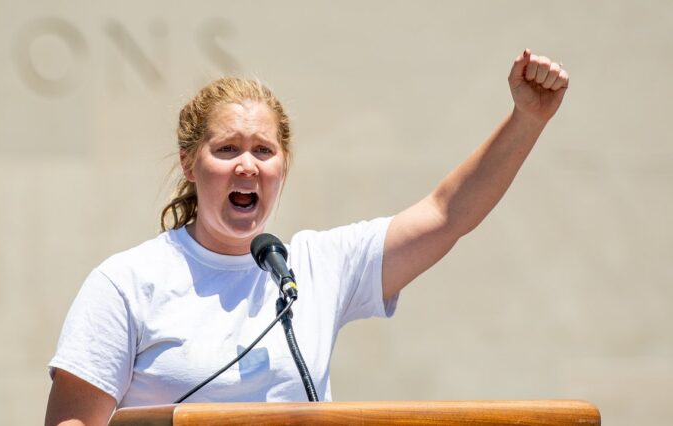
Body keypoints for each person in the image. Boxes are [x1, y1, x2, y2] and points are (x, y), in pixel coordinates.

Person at [45, 49, 569, 425]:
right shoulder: (126, 282)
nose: (247, 165)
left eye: (263, 151)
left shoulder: (315, 267)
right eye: (227, 149)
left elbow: (447, 213)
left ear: (284, 167)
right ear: (189, 163)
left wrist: (526, 119)